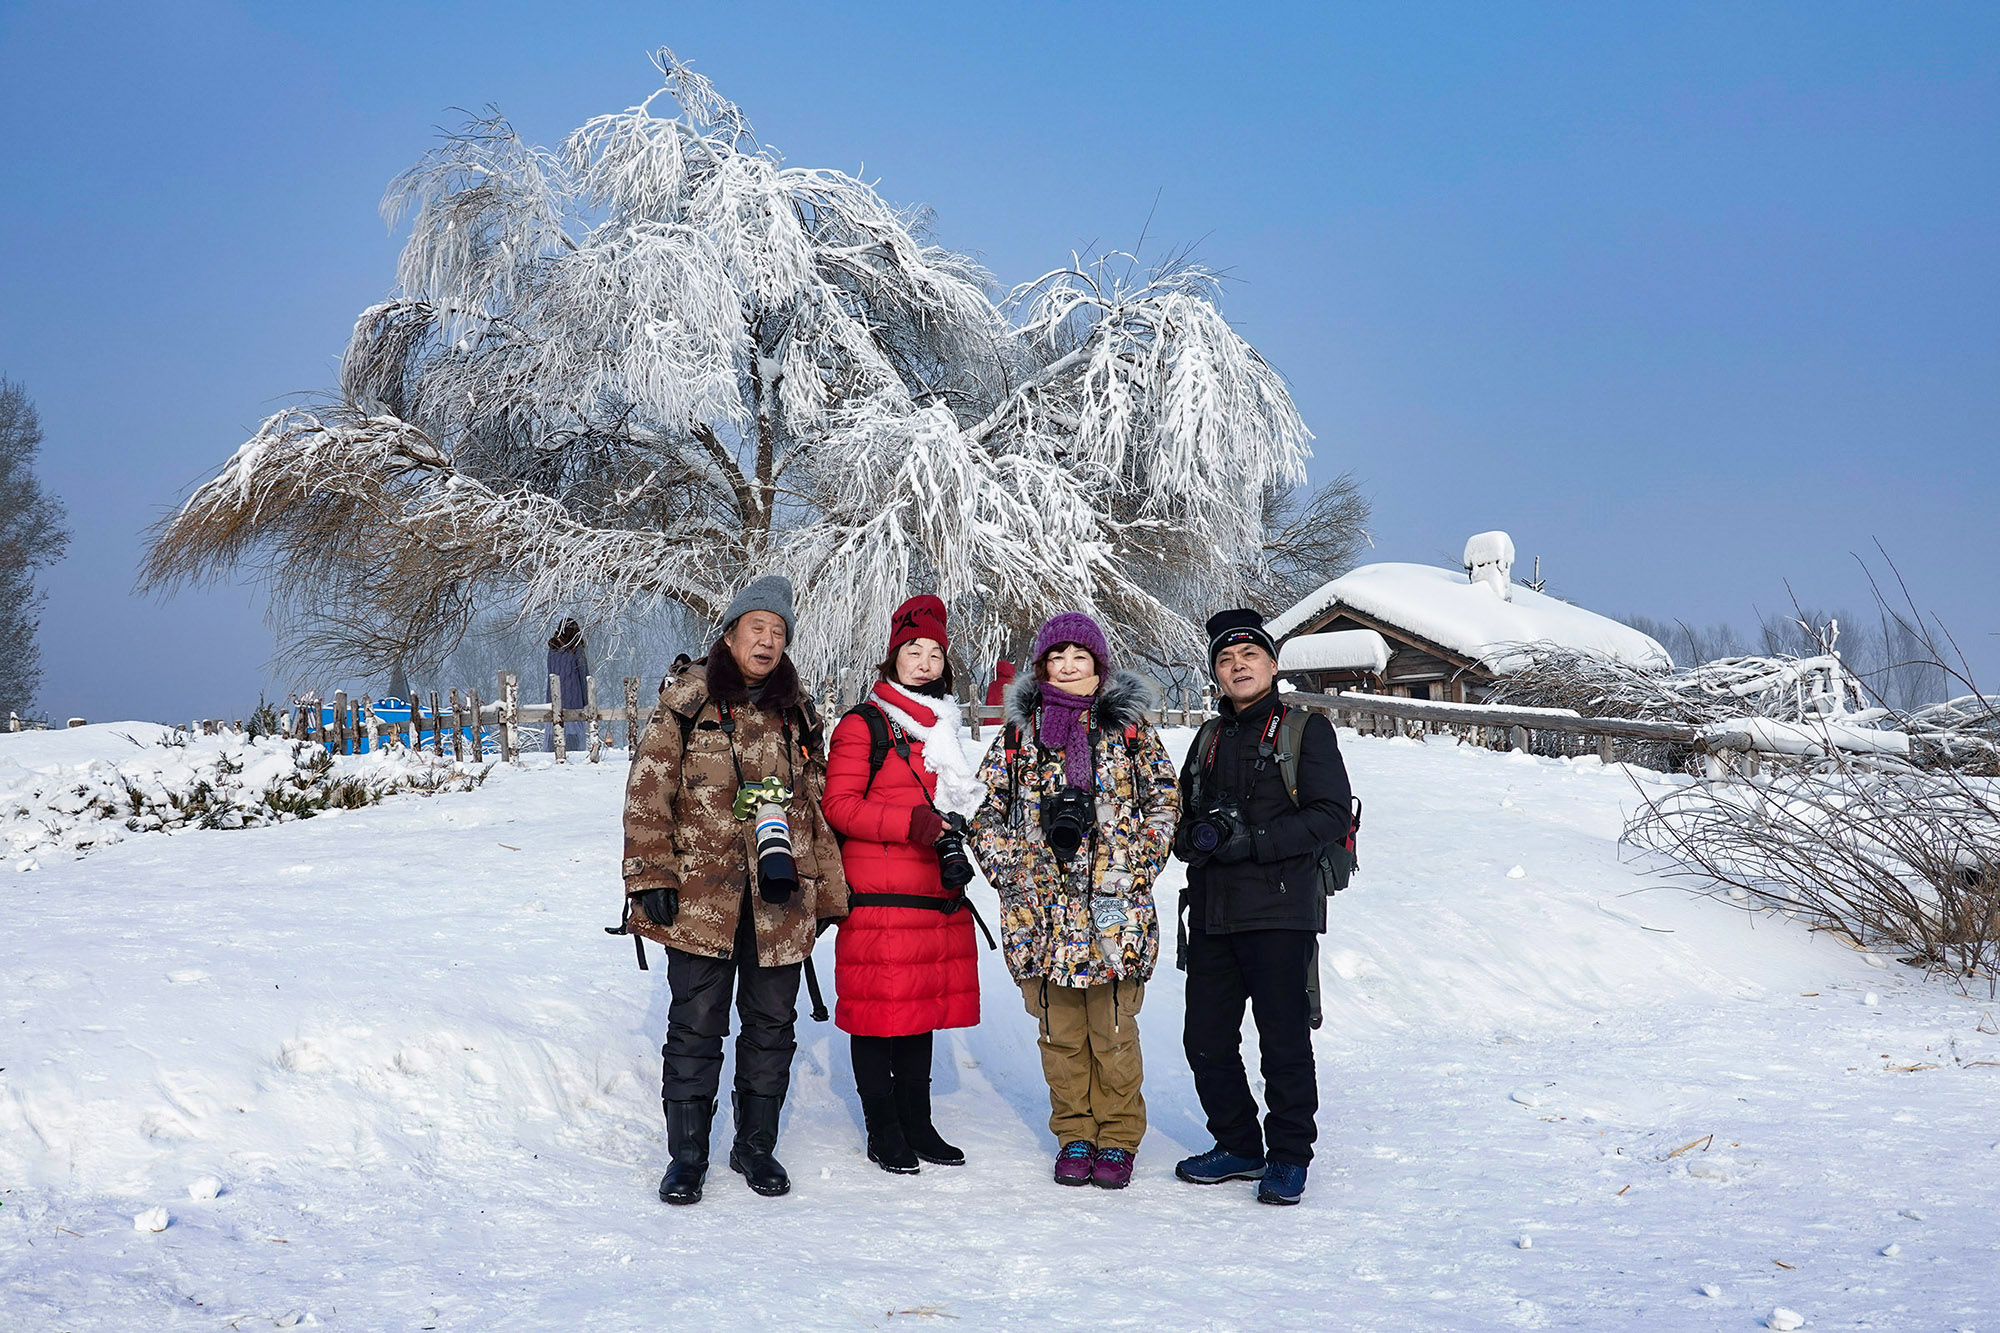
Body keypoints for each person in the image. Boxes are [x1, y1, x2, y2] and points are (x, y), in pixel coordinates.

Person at [620, 575, 848, 1205]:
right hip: (700, 898)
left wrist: (828, 891)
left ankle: (756, 1147)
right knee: (695, 1024)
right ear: (730, 633)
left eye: (778, 633)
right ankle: (687, 1156)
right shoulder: (687, 701)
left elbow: (818, 806)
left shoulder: (798, 712)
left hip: (779, 898)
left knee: (772, 1023)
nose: (768, 641)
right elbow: (648, 792)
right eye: (758, 628)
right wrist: (649, 875)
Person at [970, 612, 1178, 1189]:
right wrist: (1013, 867)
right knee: (1060, 1036)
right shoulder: (1018, 734)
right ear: (1042, 667)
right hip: (1042, 911)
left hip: (1113, 908)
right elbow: (983, 811)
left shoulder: (1130, 730)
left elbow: (1164, 803)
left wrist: (1132, 861)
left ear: (1098, 664)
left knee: (1113, 1034)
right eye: (1056, 657)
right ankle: (1075, 1134)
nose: (1067, 666)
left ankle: (1116, 1139)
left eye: (1079, 657)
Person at [1172, 608, 1352, 1206]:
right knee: (1205, 1039)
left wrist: (1255, 843)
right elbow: (1185, 816)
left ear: (1272, 666)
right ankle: (1240, 1146)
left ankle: (1290, 1156)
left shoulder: (1306, 729)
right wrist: (1189, 836)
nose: (1237, 666)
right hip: (1214, 914)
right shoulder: (1208, 738)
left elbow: (1329, 814)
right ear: (1217, 675)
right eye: (1226, 659)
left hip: (1280, 911)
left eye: (1249, 655)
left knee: (1283, 1041)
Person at [821, 595, 986, 1173]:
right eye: (912, 650)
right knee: (877, 1013)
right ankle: (882, 1128)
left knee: (919, 1013)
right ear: (892, 656)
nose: (923, 661)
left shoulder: (943, 731)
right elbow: (838, 807)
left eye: (935, 652)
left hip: (934, 894)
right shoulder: (865, 722)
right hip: (881, 896)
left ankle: (918, 1124)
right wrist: (910, 823)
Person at [547, 618, 589, 751]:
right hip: (574, 696)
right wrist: (587, 700)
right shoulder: (577, 650)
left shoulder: (552, 650)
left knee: (556, 728)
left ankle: (554, 750)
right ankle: (573, 751)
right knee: (573, 733)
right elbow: (584, 675)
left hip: (553, 697)